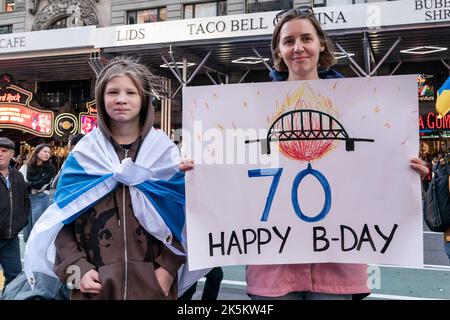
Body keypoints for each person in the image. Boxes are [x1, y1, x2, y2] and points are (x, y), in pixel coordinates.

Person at [24, 56, 187, 300]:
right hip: (94, 289)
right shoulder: (83, 157)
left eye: (130, 92)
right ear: (101, 99)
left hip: (154, 289)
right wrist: (76, 270)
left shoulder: (166, 155)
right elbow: (60, 222)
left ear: (144, 100)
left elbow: (185, 220)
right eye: (112, 92)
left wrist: (167, 270)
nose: (121, 99)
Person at [243, 6, 373, 301]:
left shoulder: (354, 103)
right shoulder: (253, 106)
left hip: (336, 262)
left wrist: (405, 167)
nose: (298, 48)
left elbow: (376, 164)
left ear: (321, 44)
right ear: (278, 50)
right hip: (273, 262)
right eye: (288, 41)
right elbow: (233, 167)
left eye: (306, 38)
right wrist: (202, 169)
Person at [0, 137, 31, 288]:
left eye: (4, 151)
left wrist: (20, 222)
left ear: (12, 154)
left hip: (11, 239)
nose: (0, 154)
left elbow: (25, 202)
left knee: (14, 278)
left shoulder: (17, 176)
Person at [20, 144, 55, 242]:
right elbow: (20, 182)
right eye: (45, 151)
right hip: (27, 197)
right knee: (26, 225)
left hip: (41, 198)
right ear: (37, 152)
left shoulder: (50, 168)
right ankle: (28, 247)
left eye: (49, 152)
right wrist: (31, 187)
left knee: (37, 225)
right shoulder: (26, 166)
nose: (47, 154)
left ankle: (36, 248)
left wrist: (28, 184)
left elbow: (41, 185)